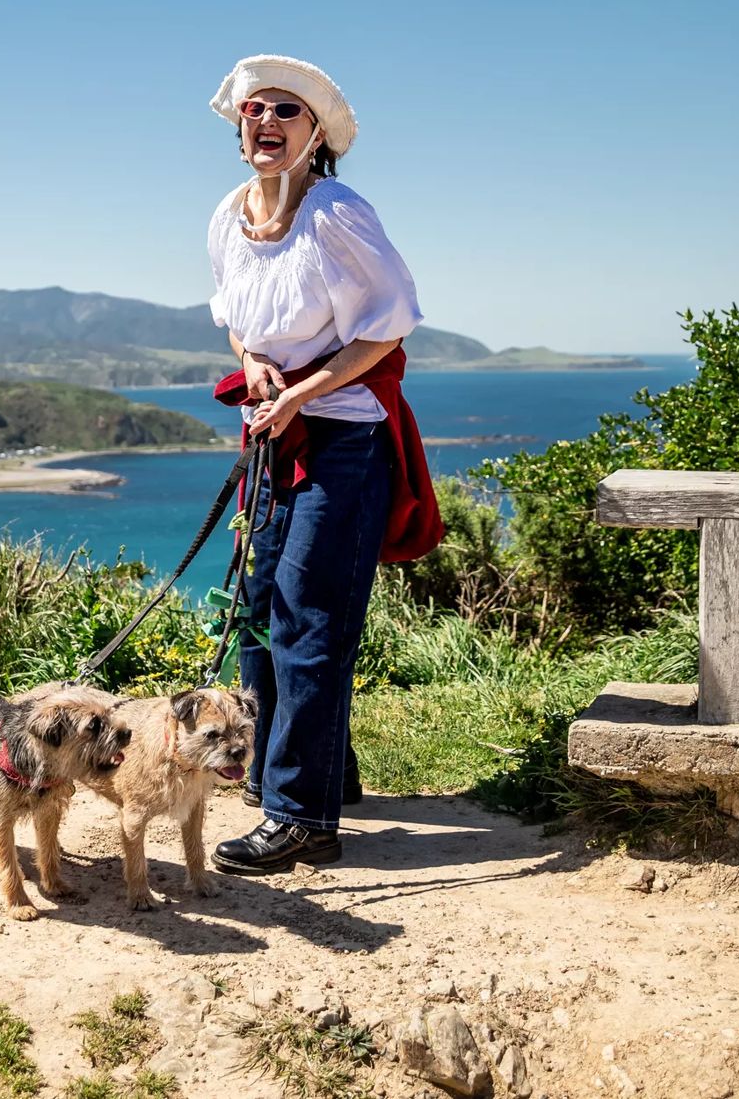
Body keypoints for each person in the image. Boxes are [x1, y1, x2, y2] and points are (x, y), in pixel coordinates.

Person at [204, 54, 443, 874]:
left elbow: (390, 325)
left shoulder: (336, 214)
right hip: (276, 431)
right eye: (253, 110)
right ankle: (311, 772)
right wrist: (259, 365)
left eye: (285, 111)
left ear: (315, 136)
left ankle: (302, 816)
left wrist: (305, 391)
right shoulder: (226, 219)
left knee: (309, 614)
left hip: (345, 436)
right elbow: (237, 321)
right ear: (240, 132)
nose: (265, 121)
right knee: (258, 605)